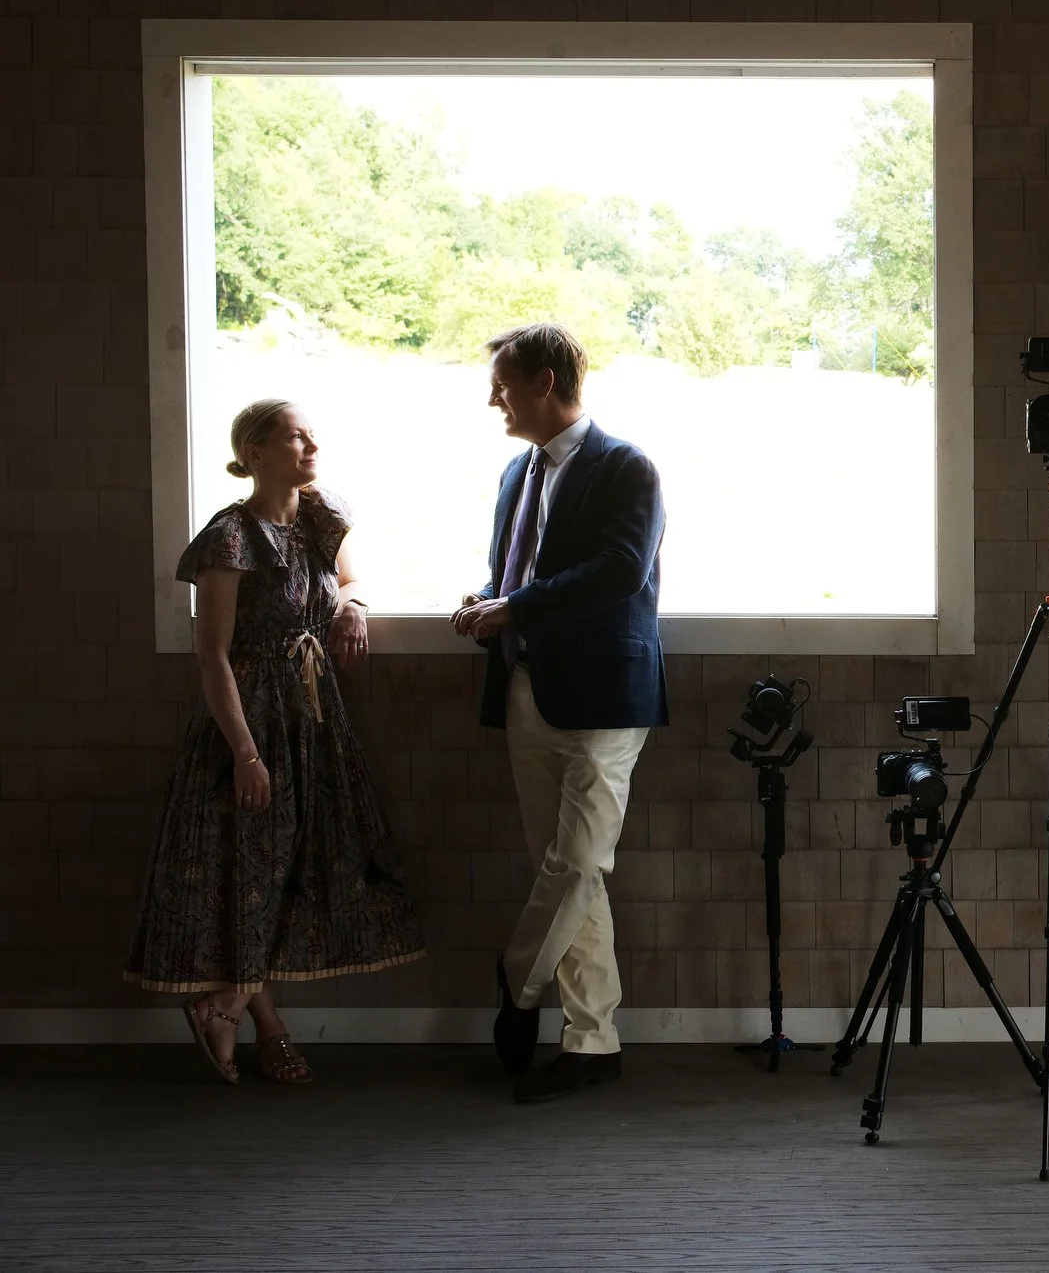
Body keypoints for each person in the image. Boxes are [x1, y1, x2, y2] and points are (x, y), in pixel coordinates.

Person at [126, 399, 426, 1085]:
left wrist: (354, 608)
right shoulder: (230, 536)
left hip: (314, 718)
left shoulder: (321, 514)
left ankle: (233, 1009)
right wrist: (246, 753)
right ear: (254, 452)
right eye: (295, 435)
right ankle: (257, 1021)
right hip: (252, 718)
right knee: (250, 871)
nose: (312, 444)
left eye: (313, 433)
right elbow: (212, 656)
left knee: (296, 867)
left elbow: (354, 578)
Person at [452, 323, 667, 1105]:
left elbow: (618, 571)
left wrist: (516, 605)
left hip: (605, 695)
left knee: (578, 863)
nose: (493, 400)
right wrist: (488, 601)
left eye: (502, 385)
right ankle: (593, 1042)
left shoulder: (626, 467)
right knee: (572, 875)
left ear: (544, 383)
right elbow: (518, 569)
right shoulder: (517, 471)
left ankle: (517, 984)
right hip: (524, 691)